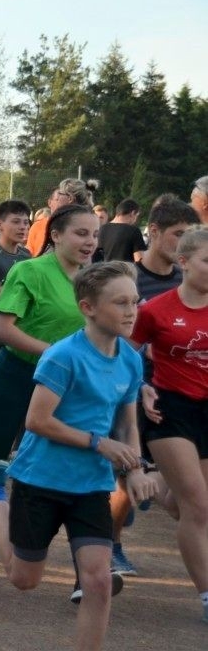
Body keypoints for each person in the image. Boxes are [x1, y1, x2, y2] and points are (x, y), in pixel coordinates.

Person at [0, 262, 156, 651]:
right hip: (41, 479)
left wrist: (134, 469)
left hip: (91, 485)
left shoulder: (131, 360)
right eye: (120, 303)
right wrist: (98, 444)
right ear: (88, 307)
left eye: (134, 301)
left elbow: (126, 425)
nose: (131, 311)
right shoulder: (63, 356)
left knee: (98, 581)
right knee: (24, 579)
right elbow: (37, 421)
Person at [0, 205, 98, 469]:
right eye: (81, 233)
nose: (90, 242)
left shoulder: (92, 281)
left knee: (41, 465)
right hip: (14, 376)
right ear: (56, 235)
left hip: (59, 381)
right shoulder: (30, 270)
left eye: (95, 235)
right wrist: (55, 352)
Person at [131, 228, 208, 625]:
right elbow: (122, 354)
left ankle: (158, 484)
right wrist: (139, 387)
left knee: (187, 505)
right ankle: (207, 595)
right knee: (198, 505)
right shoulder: (155, 310)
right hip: (170, 409)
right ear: (184, 262)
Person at [27, 179, 94, 256]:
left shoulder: (66, 225)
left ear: (70, 198)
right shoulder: (90, 221)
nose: (56, 198)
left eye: (59, 194)